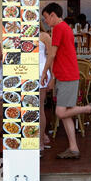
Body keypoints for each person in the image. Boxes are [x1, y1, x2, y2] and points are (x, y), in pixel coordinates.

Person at [41, 2, 91, 159]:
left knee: (60, 112)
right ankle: (73, 148)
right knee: (66, 113)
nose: (45, 21)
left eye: (46, 17)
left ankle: (88, 109)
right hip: (65, 74)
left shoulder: (59, 28)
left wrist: (44, 73)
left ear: (53, 15)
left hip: (67, 75)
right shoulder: (63, 28)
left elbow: (52, 54)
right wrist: (53, 77)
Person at [39, 24, 53, 152]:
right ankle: (39, 136)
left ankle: (40, 142)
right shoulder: (19, 36)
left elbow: (51, 56)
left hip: (41, 72)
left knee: (39, 107)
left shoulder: (44, 36)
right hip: (24, 73)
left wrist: (52, 77)